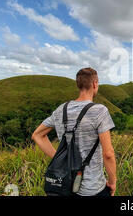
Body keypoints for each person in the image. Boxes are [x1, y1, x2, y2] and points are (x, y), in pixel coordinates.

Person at [32, 68, 117, 196]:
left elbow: (37, 135)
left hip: (65, 186)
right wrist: (112, 181)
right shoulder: (100, 111)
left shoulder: (61, 110)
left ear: (79, 84)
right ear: (94, 84)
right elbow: (108, 154)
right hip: (93, 188)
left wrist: (60, 159)